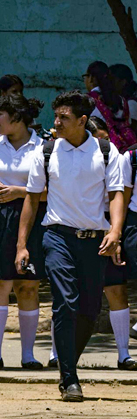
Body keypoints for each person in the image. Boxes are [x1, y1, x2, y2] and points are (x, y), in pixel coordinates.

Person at [16, 90, 126, 402]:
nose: (56, 122)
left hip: (95, 241)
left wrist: (115, 231)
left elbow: (117, 194)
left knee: (89, 310)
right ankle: (69, 377)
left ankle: (68, 365)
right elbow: (31, 199)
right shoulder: (46, 152)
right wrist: (22, 245)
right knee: (65, 302)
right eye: (56, 116)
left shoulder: (107, 152)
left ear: (82, 120)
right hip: (57, 237)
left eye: (64, 117)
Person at [0, 94, 46, 371]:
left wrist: (21, 192)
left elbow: (54, 191)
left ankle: (28, 355)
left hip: (32, 219)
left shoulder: (42, 148)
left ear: (17, 118)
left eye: (1, 115)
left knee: (28, 285)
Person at [86, 120, 137, 371]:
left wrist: (115, 234)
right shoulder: (63, 155)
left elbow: (120, 196)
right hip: (74, 229)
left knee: (116, 290)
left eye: (106, 137)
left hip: (107, 226)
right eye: (98, 137)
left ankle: (123, 354)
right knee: (68, 294)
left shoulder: (114, 155)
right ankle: (56, 354)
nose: (105, 143)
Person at [84, 61, 137, 149]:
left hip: (105, 147)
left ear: (91, 78)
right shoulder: (121, 100)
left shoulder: (86, 100)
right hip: (128, 145)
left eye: (85, 76)